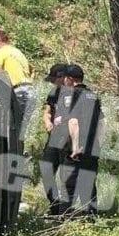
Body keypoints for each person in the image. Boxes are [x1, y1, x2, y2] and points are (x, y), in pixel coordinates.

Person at [58, 64, 103, 216]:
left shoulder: (70, 96)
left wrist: (76, 147)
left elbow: (73, 122)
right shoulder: (93, 95)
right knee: (89, 185)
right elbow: (102, 122)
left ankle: (62, 222)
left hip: (75, 150)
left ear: (70, 79)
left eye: (65, 78)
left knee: (69, 187)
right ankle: (92, 218)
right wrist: (96, 143)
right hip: (92, 149)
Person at [0, 28, 34, 136]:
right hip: (30, 91)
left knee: (10, 127)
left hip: (18, 91)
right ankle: (19, 151)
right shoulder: (17, 52)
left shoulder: (0, 52)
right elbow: (32, 70)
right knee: (21, 130)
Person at [40, 63, 71, 215]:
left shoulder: (76, 93)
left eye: (54, 79)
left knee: (67, 176)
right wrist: (47, 122)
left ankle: (66, 211)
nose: (52, 83)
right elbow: (47, 111)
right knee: (46, 170)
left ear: (62, 77)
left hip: (69, 140)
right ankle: (55, 207)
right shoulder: (54, 93)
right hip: (54, 138)